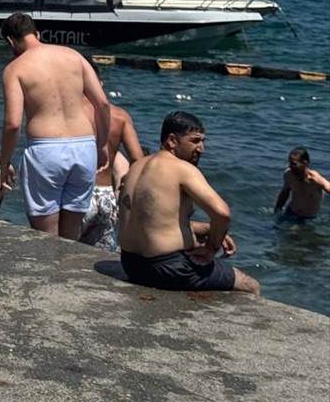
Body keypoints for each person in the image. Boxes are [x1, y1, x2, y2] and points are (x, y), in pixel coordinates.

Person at [118, 111, 260, 295]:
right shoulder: (181, 168)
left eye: (203, 141)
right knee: (251, 286)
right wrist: (211, 248)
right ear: (172, 141)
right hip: (169, 269)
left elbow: (154, 220)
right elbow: (222, 213)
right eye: (195, 141)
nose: (202, 149)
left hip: (131, 265)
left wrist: (209, 230)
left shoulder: (137, 166)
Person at [0, 12, 110, 239]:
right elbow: (103, 104)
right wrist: (102, 145)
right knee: (71, 236)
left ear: (10, 40)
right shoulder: (74, 56)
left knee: (45, 236)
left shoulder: (15, 69)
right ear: (36, 33)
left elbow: (13, 123)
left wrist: (4, 162)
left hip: (46, 150)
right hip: (84, 146)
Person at [79, 69, 145, 251]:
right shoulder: (120, 116)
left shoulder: (72, 114)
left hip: (79, 193)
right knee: (100, 257)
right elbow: (138, 159)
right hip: (106, 195)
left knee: (62, 252)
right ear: (100, 83)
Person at [274, 147, 330, 221]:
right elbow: (284, 193)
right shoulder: (288, 174)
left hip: (308, 219)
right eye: (289, 162)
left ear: (304, 163)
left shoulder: (315, 179)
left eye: (294, 164)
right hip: (290, 212)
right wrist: (277, 210)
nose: (290, 166)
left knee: (294, 231)